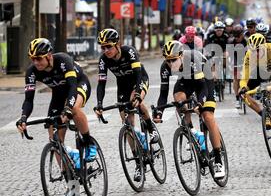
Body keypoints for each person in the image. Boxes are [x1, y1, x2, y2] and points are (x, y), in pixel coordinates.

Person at [154, 41, 226, 179]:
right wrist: (159, 111)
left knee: (207, 116)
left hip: (204, 80)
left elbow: (202, 87)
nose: (170, 64)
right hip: (185, 80)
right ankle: (192, 131)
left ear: (181, 56)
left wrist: (200, 103)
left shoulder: (191, 59)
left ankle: (218, 160)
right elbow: (163, 93)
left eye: (174, 60)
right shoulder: (165, 67)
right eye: (168, 61)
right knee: (178, 98)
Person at [16, 38, 97, 160]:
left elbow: (72, 87)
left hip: (78, 85)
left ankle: (88, 143)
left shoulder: (63, 61)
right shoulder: (31, 72)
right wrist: (23, 118)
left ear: (48, 56)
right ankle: (68, 172)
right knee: (54, 140)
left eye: (39, 58)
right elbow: (28, 100)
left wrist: (67, 108)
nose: (36, 62)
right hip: (58, 93)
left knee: (74, 108)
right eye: (32, 59)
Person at [94, 29, 157, 182]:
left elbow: (137, 74)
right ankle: (138, 163)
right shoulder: (103, 60)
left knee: (136, 102)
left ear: (118, 44)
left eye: (108, 46)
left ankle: (151, 127)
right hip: (122, 85)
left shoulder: (129, 52)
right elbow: (101, 84)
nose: (106, 50)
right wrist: (99, 104)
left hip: (139, 79)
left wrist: (137, 93)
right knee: (127, 124)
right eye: (103, 47)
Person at [229, 25, 248, 108]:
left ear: (242, 35)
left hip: (245, 59)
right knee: (236, 78)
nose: (237, 38)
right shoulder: (231, 42)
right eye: (235, 36)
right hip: (235, 59)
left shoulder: (246, 41)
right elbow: (230, 55)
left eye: (238, 36)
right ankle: (237, 98)